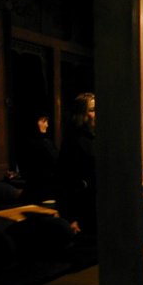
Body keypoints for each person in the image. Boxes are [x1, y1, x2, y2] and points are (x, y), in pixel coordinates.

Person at [56, 93, 97, 234]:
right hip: (85, 202)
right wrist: (71, 217)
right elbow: (66, 181)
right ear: (81, 114)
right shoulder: (74, 141)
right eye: (92, 110)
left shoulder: (96, 138)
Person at [18, 111, 59, 204]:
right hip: (40, 191)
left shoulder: (47, 142)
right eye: (44, 121)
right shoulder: (30, 144)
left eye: (47, 121)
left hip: (47, 188)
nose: (47, 125)